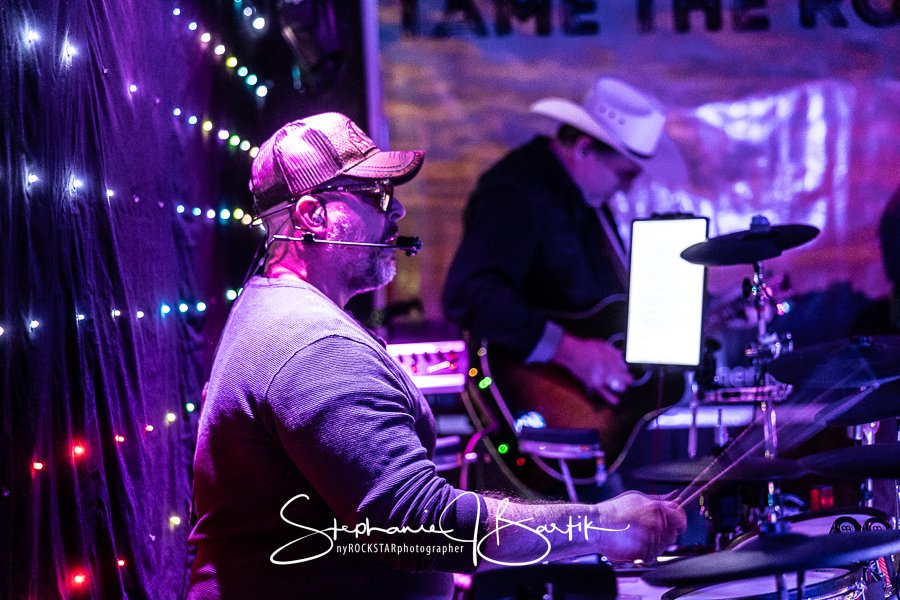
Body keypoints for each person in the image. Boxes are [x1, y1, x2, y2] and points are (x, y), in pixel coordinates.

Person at [187, 112, 686, 599]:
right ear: (312, 215)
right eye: (377, 195)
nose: (398, 212)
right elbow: (421, 525)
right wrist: (601, 525)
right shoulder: (317, 346)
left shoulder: (272, 307)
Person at [442, 77, 684, 448]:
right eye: (624, 174)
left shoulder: (588, 202)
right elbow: (468, 293)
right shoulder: (517, 192)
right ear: (584, 148)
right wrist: (569, 352)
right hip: (532, 407)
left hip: (587, 412)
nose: (626, 188)